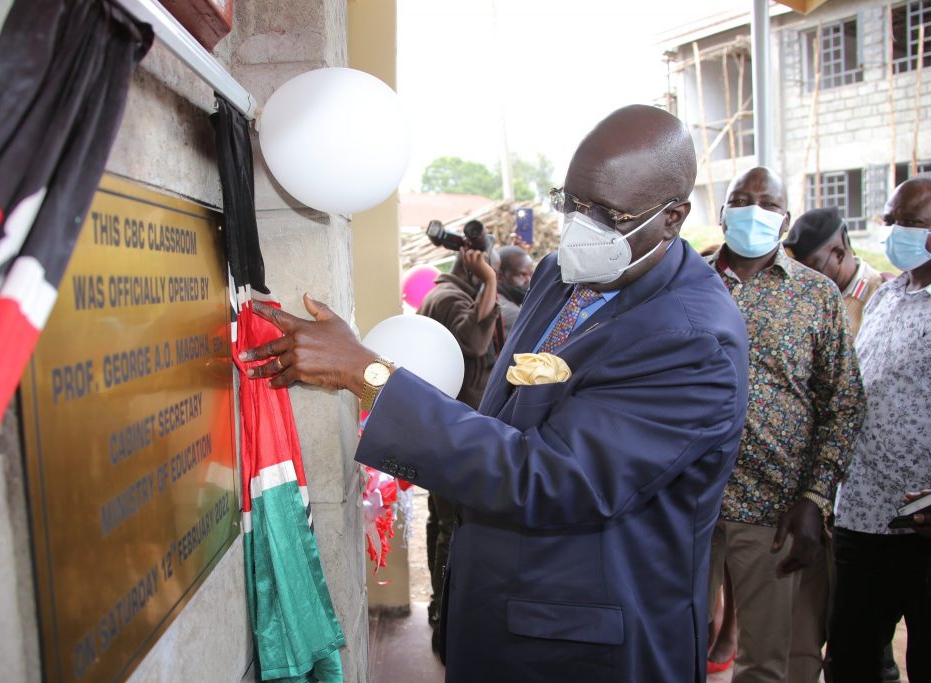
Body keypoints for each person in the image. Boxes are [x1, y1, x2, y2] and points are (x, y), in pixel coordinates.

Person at [239, 104, 750, 682]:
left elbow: (548, 475)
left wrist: (368, 376)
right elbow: (508, 414)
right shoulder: (564, 273)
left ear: (672, 217)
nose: (582, 225)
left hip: (586, 648)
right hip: (498, 606)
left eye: (607, 214)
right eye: (571, 202)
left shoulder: (691, 341)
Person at [704, 167, 866, 683]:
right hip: (687, 501)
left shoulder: (816, 297)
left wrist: (815, 500)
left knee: (764, 665)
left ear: (785, 219)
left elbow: (842, 403)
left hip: (771, 511)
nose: (753, 210)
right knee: (671, 645)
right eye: (740, 199)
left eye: (767, 203)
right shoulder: (687, 283)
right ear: (723, 211)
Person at [785, 206, 897, 682]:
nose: (805, 277)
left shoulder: (886, 296)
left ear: (837, 253)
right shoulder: (807, 297)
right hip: (823, 490)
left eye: (812, 265)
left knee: (868, 633)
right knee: (823, 623)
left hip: (881, 496)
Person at [828, 177, 931, 683]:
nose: (892, 231)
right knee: (850, 659)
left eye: (909, 223)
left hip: (923, 524)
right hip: (863, 517)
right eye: (890, 220)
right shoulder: (888, 296)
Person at [415, 221, 501, 654]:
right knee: (453, 526)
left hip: (444, 429)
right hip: (453, 432)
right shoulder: (450, 297)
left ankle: (438, 609)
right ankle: (447, 623)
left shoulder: (444, 293)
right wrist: (489, 280)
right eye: (490, 267)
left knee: (441, 520)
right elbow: (473, 338)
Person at [784, 206, 886, 336]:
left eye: (813, 269)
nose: (805, 277)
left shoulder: (881, 295)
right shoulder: (800, 295)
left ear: (839, 255)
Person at [495, 244, 533, 337]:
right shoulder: (512, 314)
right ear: (499, 277)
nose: (529, 281)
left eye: (530, 274)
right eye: (521, 275)